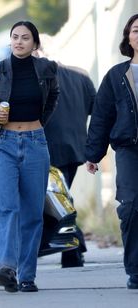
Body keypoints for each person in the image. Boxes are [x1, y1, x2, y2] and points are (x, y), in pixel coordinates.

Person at [0, 21, 59, 293]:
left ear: (35, 43)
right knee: (7, 207)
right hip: (4, 145)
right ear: (10, 41)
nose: (19, 42)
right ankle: (7, 268)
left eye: (25, 38)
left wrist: (38, 123)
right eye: (15, 37)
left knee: (33, 212)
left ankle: (27, 276)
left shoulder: (47, 69)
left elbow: (53, 97)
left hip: (35, 143)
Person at [85, 14, 138, 289]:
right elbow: (102, 116)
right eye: (136, 30)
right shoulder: (116, 75)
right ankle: (136, 270)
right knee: (130, 208)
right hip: (130, 150)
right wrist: (94, 154)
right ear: (128, 37)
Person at [35, 44, 96, 267]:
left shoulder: (41, 76)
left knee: (55, 201)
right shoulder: (81, 75)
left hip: (49, 148)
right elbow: (95, 109)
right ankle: (72, 253)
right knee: (61, 199)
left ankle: (74, 245)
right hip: (76, 149)